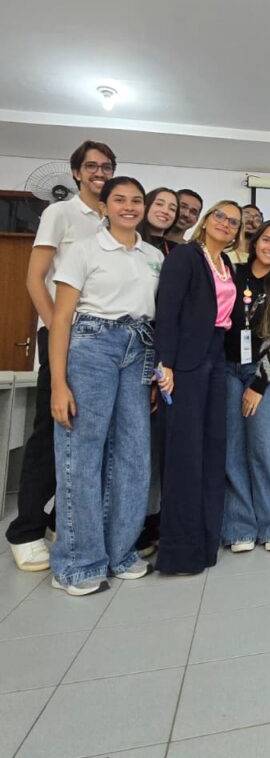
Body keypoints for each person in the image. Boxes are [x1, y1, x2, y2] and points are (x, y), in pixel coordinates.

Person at [48, 176, 163, 595]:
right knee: (81, 453)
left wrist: (155, 371)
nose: (129, 206)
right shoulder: (83, 249)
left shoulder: (153, 255)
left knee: (134, 454)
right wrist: (58, 384)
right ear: (105, 207)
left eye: (136, 200)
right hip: (92, 346)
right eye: (120, 199)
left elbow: (157, 314)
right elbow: (61, 319)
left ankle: (120, 553)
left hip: (140, 349)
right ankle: (77, 563)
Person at [7, 139, 114, 573]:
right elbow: (35, 279)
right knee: (50, 433)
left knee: (87, 435)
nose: (99, 173)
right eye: (92, 166)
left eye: (106, 167)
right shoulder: (60, 213)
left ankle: (57, 523)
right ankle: (26, 531)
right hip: (64, 334)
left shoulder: (113, 217)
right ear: (75, 172)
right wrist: (57, 332)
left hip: (102, 341)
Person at [154, 199, 241, 574]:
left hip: (216, 357)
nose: (226, 223)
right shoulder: (186, 257)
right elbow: (167, 310)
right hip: (186, 362)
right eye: (220, 216)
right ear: (206, 220)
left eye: (234, 222)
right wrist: (165, 364)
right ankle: (180, 552)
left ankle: (206, 543)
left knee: (211, 449)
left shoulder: (227, 263)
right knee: (185, 454)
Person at [222, 221, 270, 553]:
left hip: (263, 373)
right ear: (255, 243)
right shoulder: (231, 273)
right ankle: (239, 527)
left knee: (264, 448)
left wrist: (258, 385)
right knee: (232, 450)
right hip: (226, 369)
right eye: (267, 240)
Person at [136, 185, 182, 554]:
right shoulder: (130, 244)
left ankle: (148, 521)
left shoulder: (169, 252)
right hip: (127, 346)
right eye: (160, 204)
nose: (166, 211)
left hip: (161, 351)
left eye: (172, 207)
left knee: (151, 444)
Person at [139, 187, 180, 257]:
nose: (165, 211)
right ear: (145, 206)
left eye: (172, 209)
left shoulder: (177, 251)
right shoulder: (127, 241)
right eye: (159, 204)